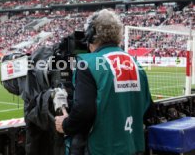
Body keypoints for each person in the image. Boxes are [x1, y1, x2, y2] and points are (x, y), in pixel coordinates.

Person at [55, 9, 153, 155]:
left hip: (100, 148)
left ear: (91, 36)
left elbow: (84, 110)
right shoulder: (135, 63)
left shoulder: (88, 63)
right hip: (133, 147)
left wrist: (65, 125)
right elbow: (148, 108)